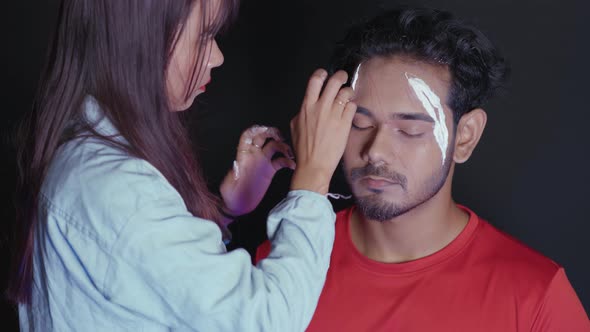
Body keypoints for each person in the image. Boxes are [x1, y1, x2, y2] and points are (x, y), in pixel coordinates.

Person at [8, 0, 357, 331]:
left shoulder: (89, 151)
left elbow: (139, 269)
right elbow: (265, 319)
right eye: (204, 35)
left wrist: (223, 210)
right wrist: (313, 180)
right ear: (141, 38)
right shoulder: (115, 188)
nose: (217, 57)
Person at [257, 7, 590, 331]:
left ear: (465, 137)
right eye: (359, 123)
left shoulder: (535, 295)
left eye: (409, 130)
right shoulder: (285, 260)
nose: (375, 152)